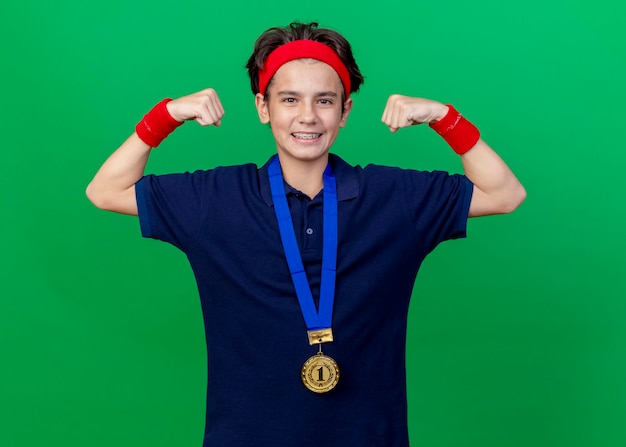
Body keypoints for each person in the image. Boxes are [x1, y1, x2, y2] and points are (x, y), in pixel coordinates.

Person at [86, 21, 525, 447]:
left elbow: (505, 194)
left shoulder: (396, 197)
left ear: (345, 110)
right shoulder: (216, 199)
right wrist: (166, 115)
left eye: (325, 101)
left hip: (369, 437)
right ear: (264, 108)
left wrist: (443, 117)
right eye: (290, 99)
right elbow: (104, 190)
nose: (308, 117)